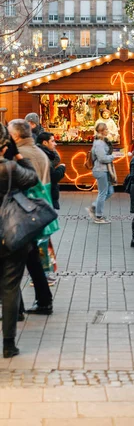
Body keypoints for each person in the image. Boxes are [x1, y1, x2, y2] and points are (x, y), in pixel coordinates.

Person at [8, 119, 55, 316]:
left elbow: (17, 183)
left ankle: (16, 308)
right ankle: (44, 301)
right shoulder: (38, 152)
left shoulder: (21, 155)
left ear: (16, 135)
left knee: (13, 262)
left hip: (21, 214)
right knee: (31, 258)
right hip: (35, 213)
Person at [0, 124, 39, 358]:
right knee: (10, 286)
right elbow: (32, 178)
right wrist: (16, 154)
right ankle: (8, 344)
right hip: (11, 231)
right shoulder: (11, 168)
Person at [86, 122, 115, 224]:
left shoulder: (102, 141)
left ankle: (94, 207)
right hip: (100, 170)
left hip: (105, 170)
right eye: (106, 129)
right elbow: (102, 158)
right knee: (102, 193)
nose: (108, 130)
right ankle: (98, 216)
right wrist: (113, 156)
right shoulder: (99, 143)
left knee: (110, 191)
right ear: (101, 131)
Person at [36, 132, 66, 210]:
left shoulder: (45, 153)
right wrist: (61, 168)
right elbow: (53, 177)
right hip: (45, 195)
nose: (55, 144)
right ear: (45, 143)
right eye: (52, 141)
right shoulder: (44, 156)